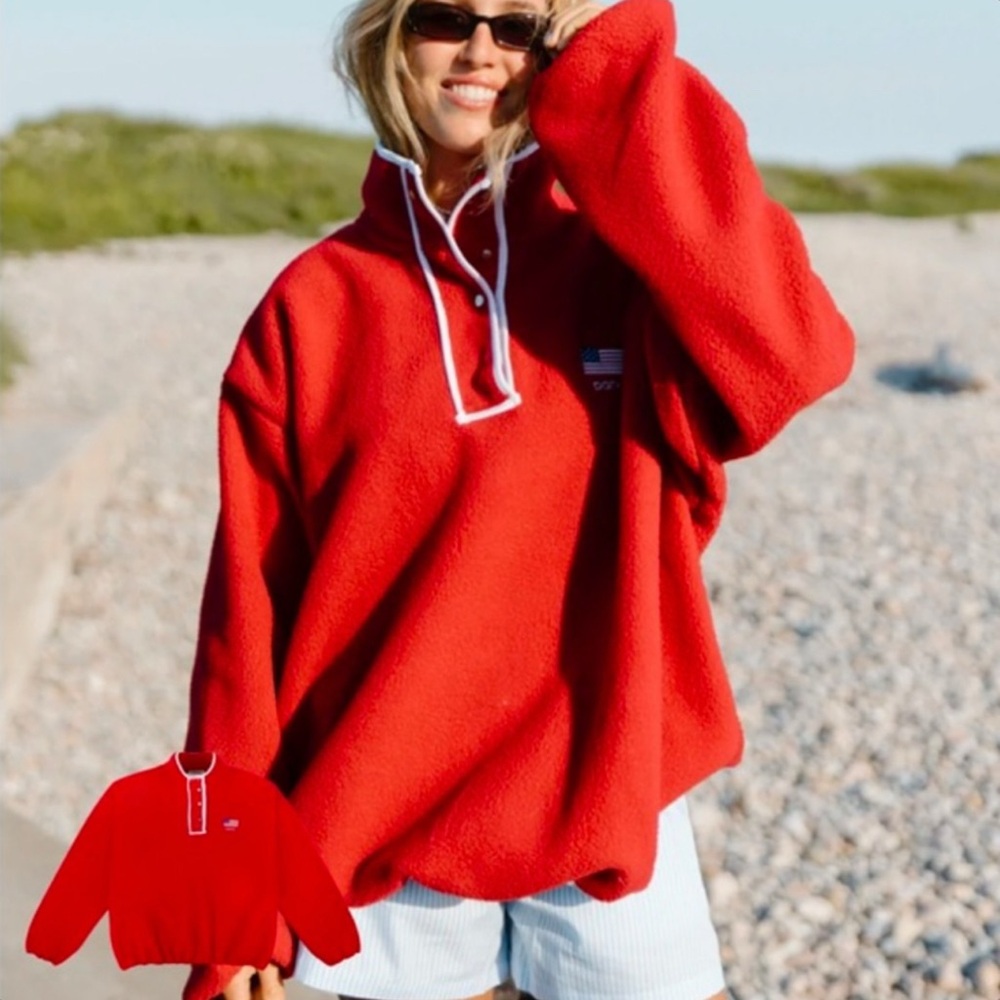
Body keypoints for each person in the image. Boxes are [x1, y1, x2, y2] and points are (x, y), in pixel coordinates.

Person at [182, 0, 855, 996]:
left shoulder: (628, 273)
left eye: (522, 27)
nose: (483, 51)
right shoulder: (310, 306)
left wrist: (615, 49)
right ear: (388, 36)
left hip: (607, 807)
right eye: (448, 17)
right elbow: (246, 631)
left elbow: (791, 355)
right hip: (375, 839)